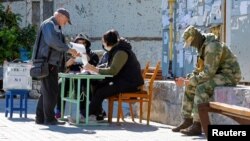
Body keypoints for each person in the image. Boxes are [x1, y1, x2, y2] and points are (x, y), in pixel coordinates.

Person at [172, 25, 242, 135]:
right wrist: (189, 79)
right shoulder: (202, 47)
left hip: (229, 75)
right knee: (190, 85)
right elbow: (199, 69)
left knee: (201, 88)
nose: (192, 46)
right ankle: (187, 120)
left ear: (195, 38)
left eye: (191, 43)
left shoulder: (212, 46)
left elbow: (209, 73)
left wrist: (192, 81)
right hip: (217, 74)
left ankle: (197, 124)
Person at [83, 29, 144, 120]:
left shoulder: (121, 52)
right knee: (96, 84)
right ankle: (98, 114)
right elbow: (109, 65)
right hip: (122, 80)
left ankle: (84, 115)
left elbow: (113, 70)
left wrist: (94, 69)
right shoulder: (115, 50)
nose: (103, 44)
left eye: (103, 42)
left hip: (130, 83)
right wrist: (93, 68)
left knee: (101, 92)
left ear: (108, 42)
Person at [32, 8, 78, 125]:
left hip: (50, 63)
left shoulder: (55, 26)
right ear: (61, 16)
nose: (66, 23)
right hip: (47, 63)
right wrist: (68, 49)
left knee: (46, 91)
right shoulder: (49, 24)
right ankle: (50, 119)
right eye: (66, 20)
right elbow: (52, 41)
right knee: (51, 92)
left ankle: (40, 118)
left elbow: (57, 43)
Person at [55, 33, 99, 118]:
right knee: (60, 83)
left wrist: (87, 60)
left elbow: (95, 67)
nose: (81, 45)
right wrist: (68, 63)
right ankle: (59, 110)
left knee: (82, 84)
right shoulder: (70, 54)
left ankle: (83, 112)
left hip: (85, 79)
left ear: (87, 44)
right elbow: (62, 68)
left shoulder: (92, 54)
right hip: (70, 77)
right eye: (78, 43)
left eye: (83, 43)